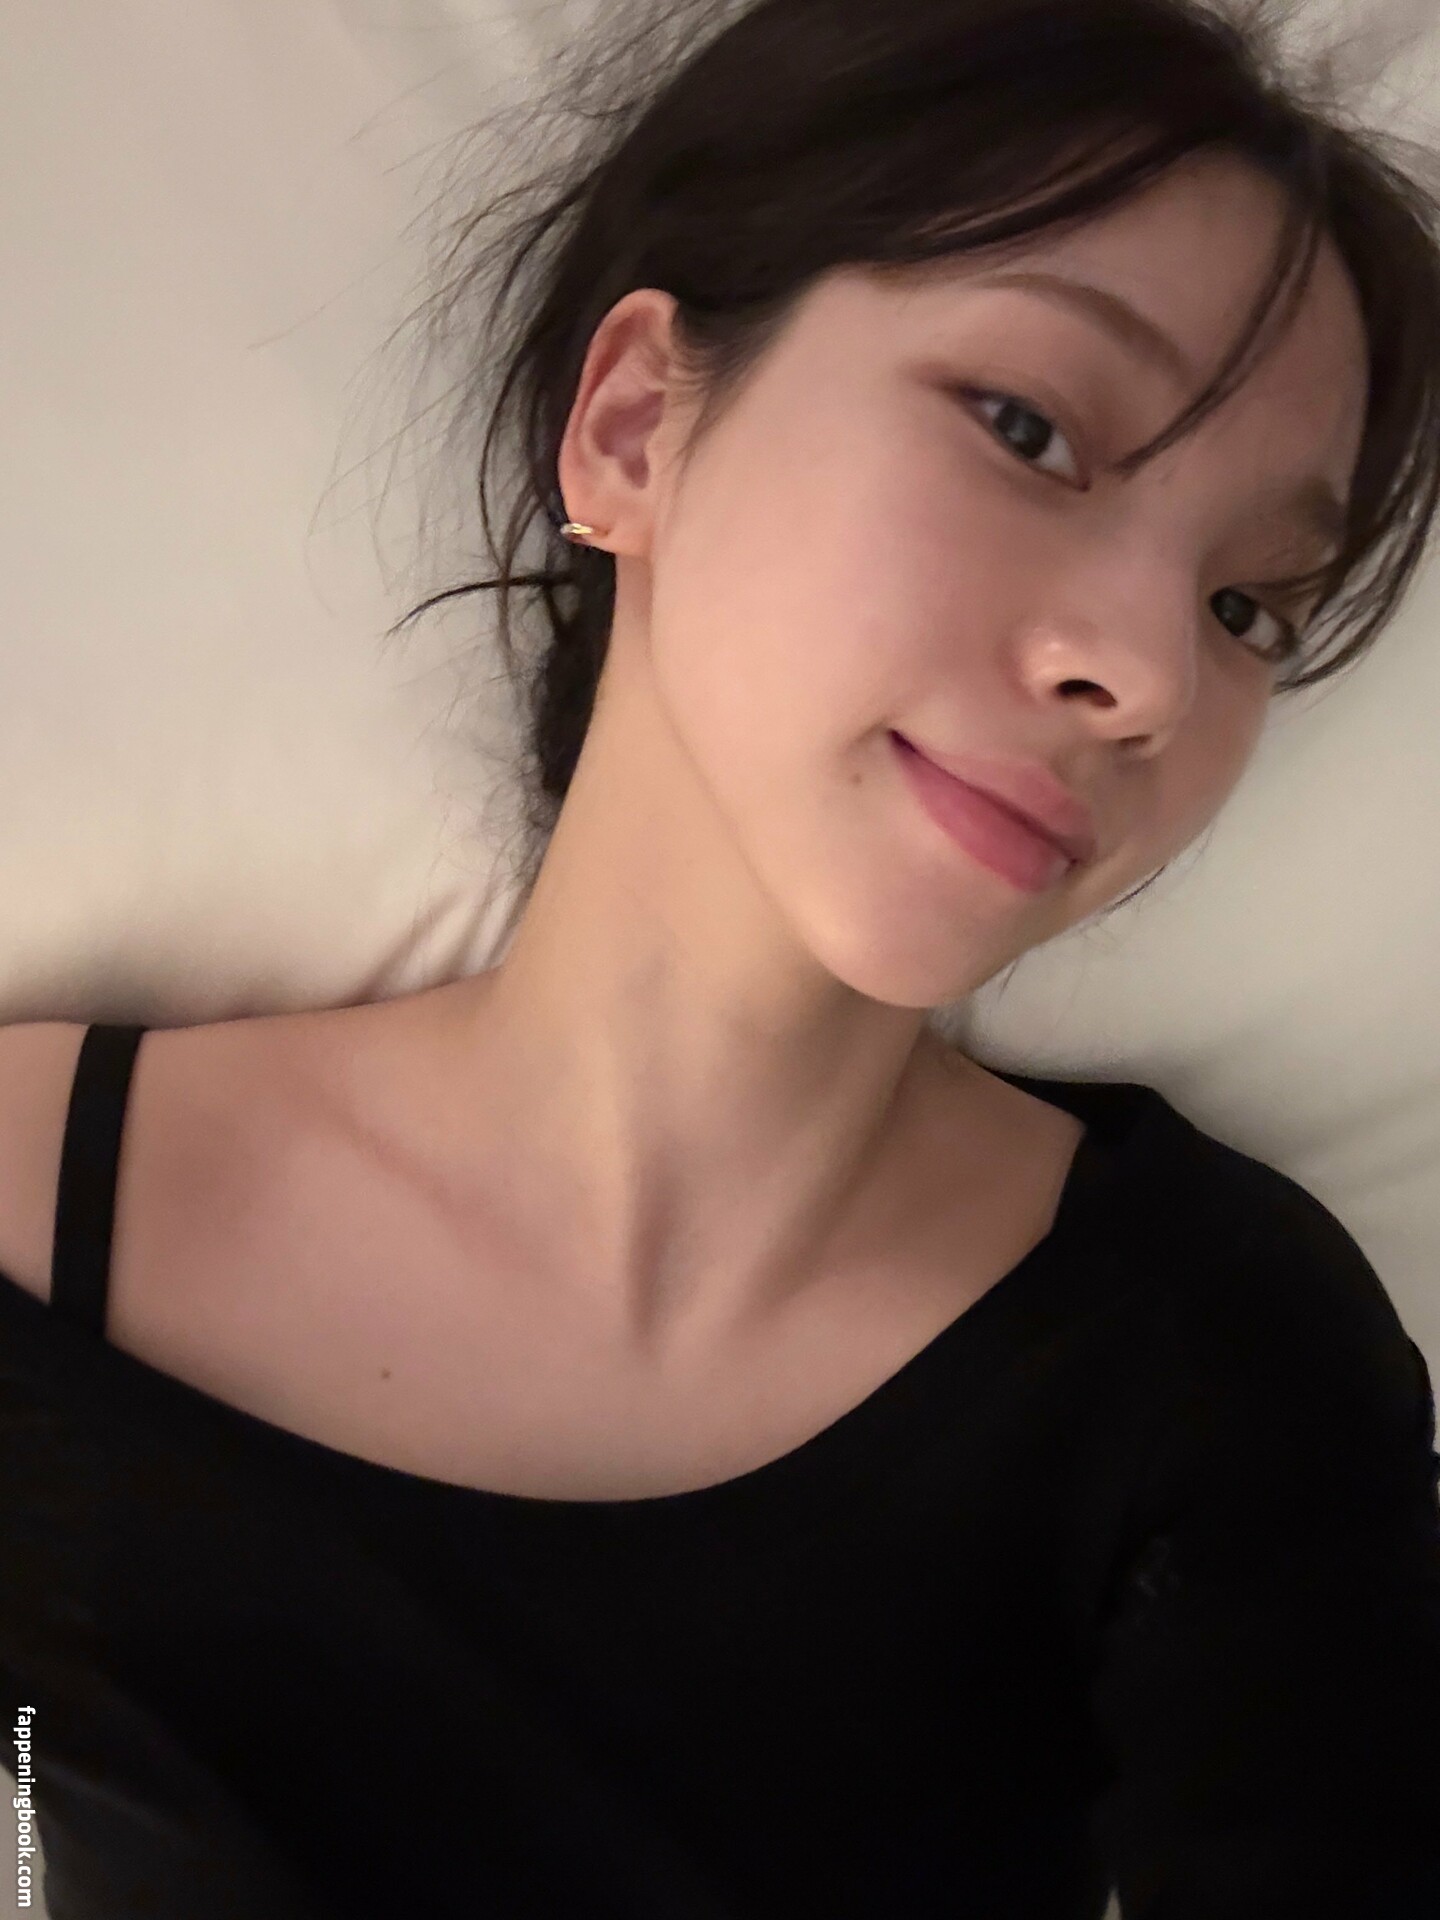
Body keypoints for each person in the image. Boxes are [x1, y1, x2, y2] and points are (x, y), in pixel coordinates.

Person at [3, 0, 1440, 1914]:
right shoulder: (28, 1210)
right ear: (634, 427)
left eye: (1249, 604)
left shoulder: (1226, 1366)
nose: (1153, 673)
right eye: (1029, 428)